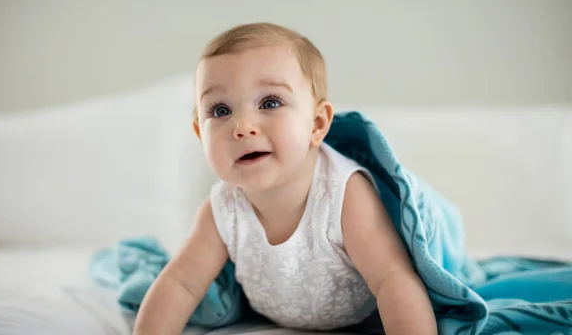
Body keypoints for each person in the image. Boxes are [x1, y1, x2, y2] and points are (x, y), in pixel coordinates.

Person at [133, 23, 437, 334]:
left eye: (270, 103)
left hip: (362, 316)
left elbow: (391, 278)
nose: (243, 126)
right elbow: (181, 284)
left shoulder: (344, 195)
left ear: (317, 124)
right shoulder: (222, 209)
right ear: (200, 135)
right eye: (220, 110)